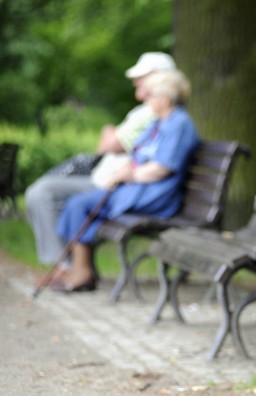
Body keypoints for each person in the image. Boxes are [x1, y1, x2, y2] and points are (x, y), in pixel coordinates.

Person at [27, 52, 176, 281]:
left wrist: (112, 137)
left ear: (162, 80)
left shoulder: (155, 115)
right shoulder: (148, 113)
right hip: (111, 179)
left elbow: (110, 146)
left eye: (142, 77)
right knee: (55, 196)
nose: (136, 82)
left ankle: (70, 268)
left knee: (52, 196)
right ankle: (69, 266)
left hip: (118, 184)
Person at [49, 69, 200, 292]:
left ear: (165, 99)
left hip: (156, 194)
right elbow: (138, 154)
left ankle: (82, 272)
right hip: (136, 188)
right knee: (79, 203)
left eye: (151, 95)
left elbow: (163, 168)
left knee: (80, 204)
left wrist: (128, 176)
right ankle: (79, 270)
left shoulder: (178, 124)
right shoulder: (158, 123)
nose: (146, 99)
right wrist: (124, 170)